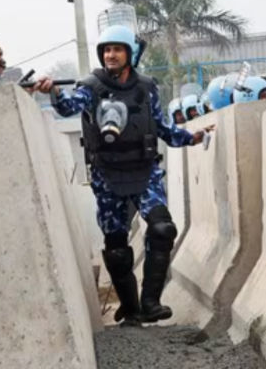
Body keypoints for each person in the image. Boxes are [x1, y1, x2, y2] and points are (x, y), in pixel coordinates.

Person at [31, 25, 211, 326]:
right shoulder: (91, 86)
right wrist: (53, 91)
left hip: (145, 171)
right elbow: (67, 108)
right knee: (116, 246)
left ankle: (151, 301)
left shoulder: (146, 87)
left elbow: (162, 127)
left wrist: (190, 137)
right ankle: (131, 308)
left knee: (163, 228)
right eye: (106, 50)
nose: (111, 55)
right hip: (108, 176)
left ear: (130, 53)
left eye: (117, 49)